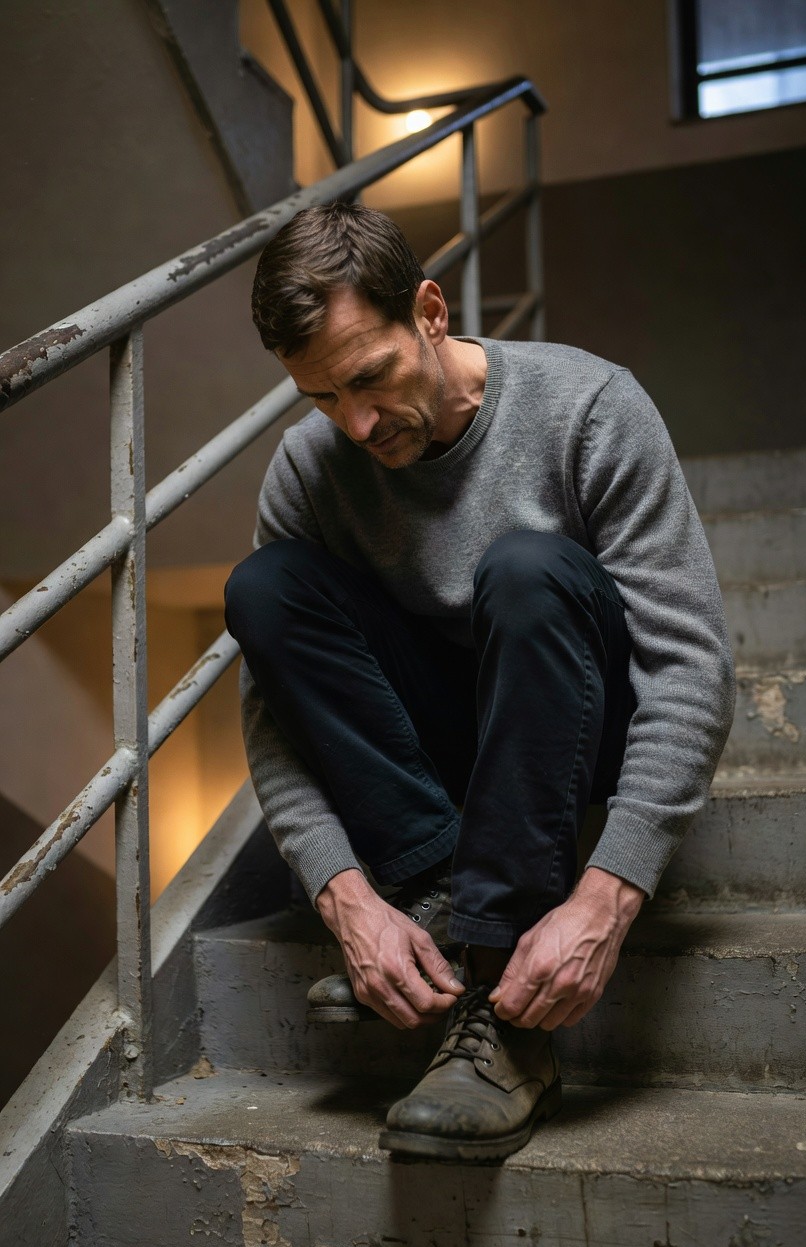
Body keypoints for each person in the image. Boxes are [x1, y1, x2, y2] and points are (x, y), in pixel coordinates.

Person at [224, 201, 735, 1163]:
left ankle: (506, 1016)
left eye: (368, 378)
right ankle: (436, 905)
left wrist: (607, 898)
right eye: (323, 398)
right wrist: (343, 897)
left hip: (578, 716)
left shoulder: (587, 404)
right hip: (441, 760)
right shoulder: (311, 467)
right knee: (265, 590)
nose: (357, 423)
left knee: (528, 569)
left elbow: (692, 666)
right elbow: (274, 715)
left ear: (428, 310)